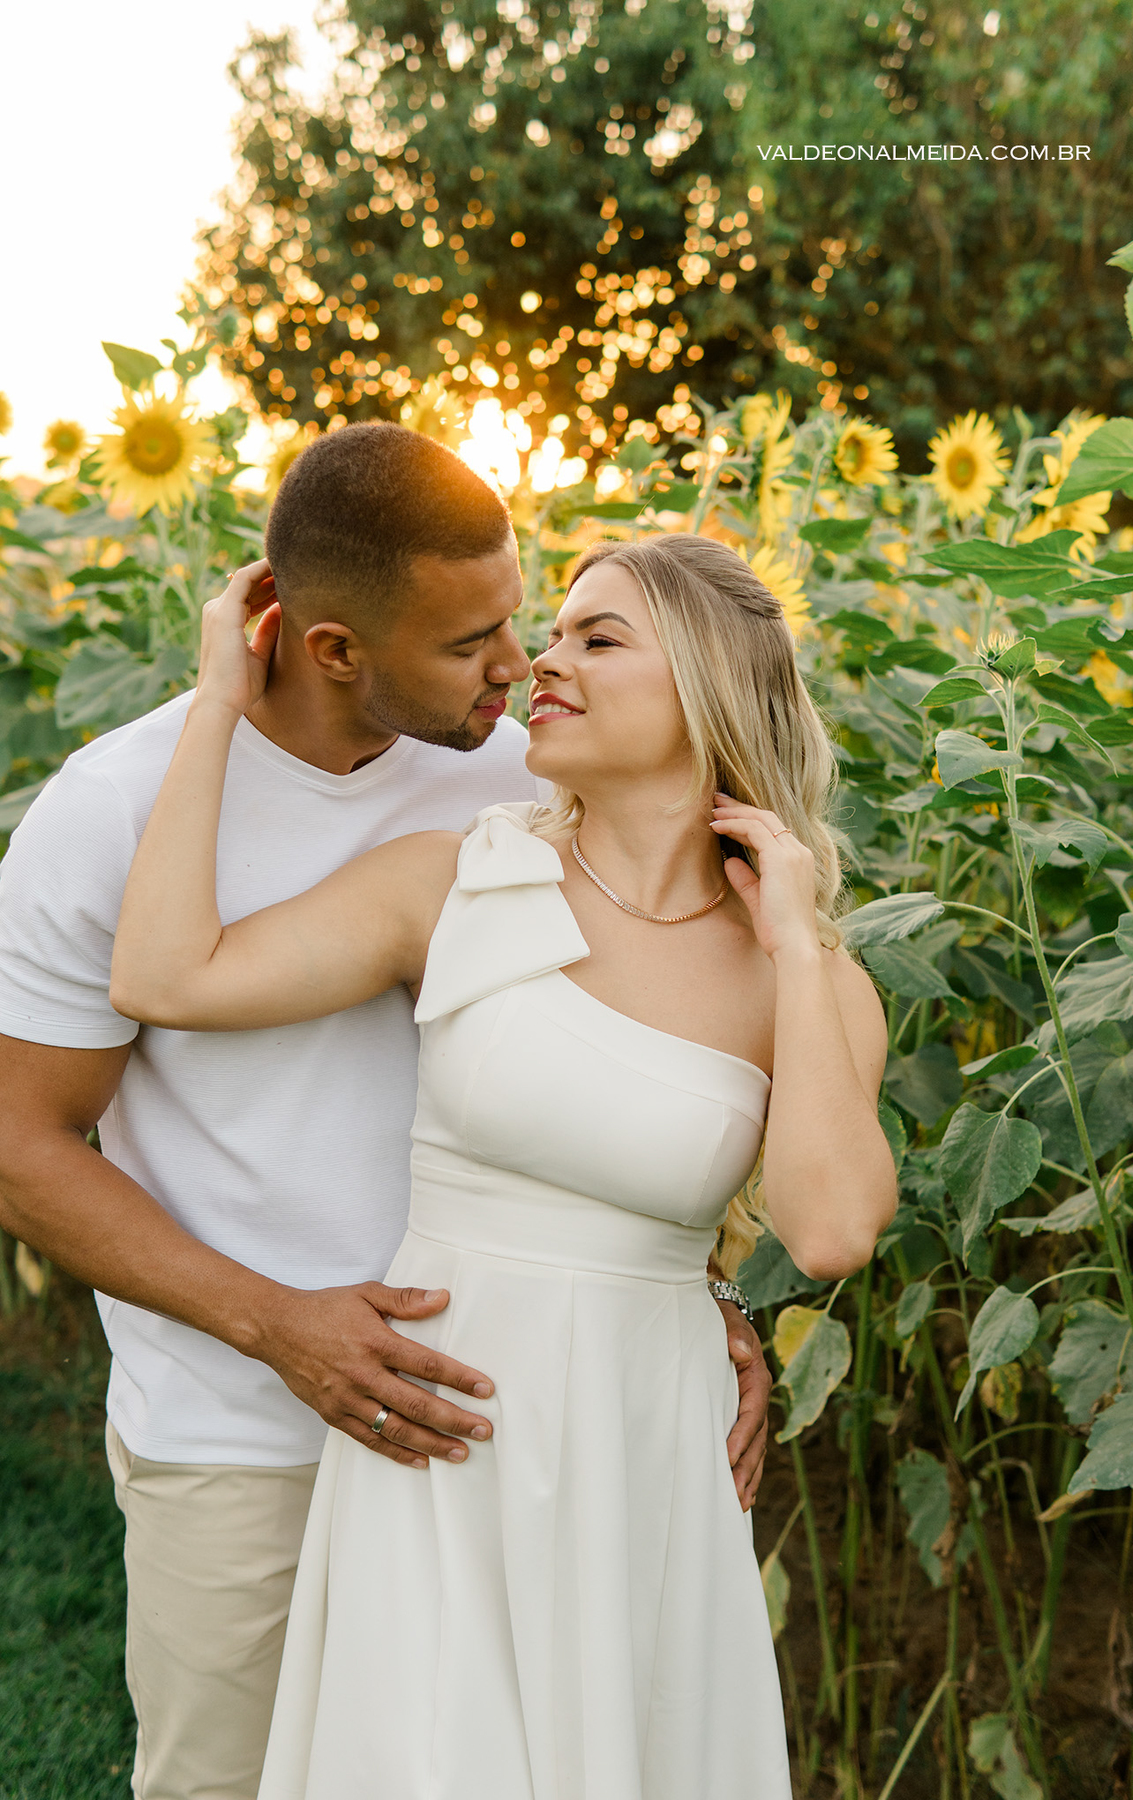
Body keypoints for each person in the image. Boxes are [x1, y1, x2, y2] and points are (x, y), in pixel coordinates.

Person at [0, 423, 774, 1800]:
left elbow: (646, 1040)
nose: (518, 668)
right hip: (240, 1432)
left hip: (509, 1427)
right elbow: (19, 1143)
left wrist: (694, 1293)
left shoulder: (521, 768)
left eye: (521, 622)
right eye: (469, 642)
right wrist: (276, 1326)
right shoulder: (115, 813)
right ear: (334, 646)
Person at [109, 528, 897, 1798]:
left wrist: (797, 948)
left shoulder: (805, 978)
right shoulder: (459, 881)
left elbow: (832, 1231)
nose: (544, 661)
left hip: (642, 1458)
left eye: (599, 637)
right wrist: (218, 704)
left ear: (704, 683)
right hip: (444, 1443)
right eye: (555, 630)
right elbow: (163, 978)